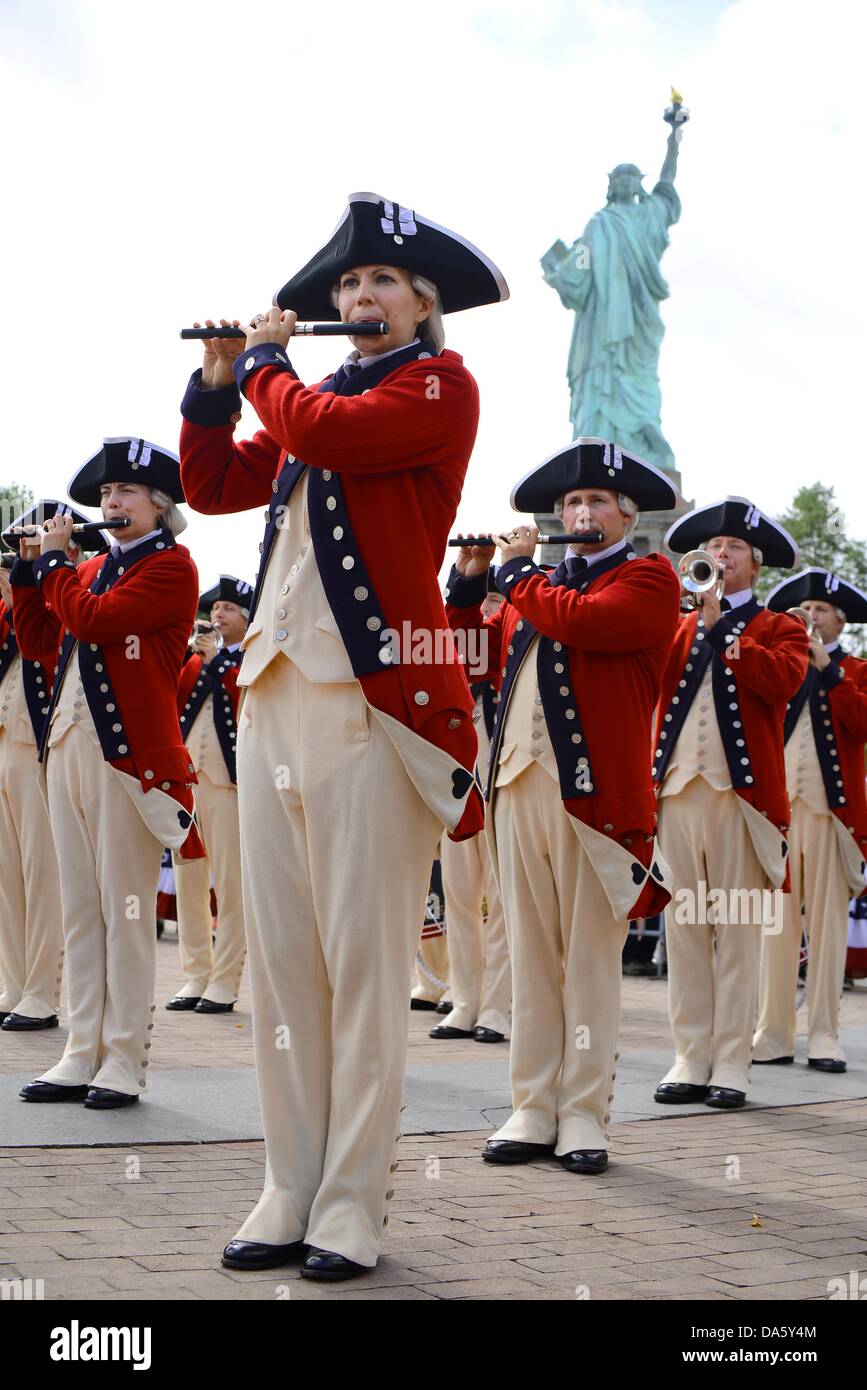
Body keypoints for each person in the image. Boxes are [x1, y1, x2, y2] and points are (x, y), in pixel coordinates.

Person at [178, 191, 508, 1279]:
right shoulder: (309, 398)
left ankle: (353, 1202)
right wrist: (220, 383)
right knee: (282, 966)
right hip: (273, 696)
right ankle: (289, 1180)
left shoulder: (437, 387)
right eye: (345, 287)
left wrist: (270, 366)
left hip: (373, 708)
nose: (356, 298)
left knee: (365, 966)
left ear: (422, 305)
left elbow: (328, 433)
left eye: (376, 285)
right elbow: (214, 481)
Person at [447, 439, 680, 1173]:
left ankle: (583, 1114)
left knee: (585, 962)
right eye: (572, 504)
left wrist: (516, 573)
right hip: (518, 785)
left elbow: (583, 624)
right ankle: (531, 1104)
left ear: (625, 516)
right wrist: (468, 582)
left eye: (596, 503)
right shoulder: (528, 594)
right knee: (530, 958)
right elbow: (466, 657)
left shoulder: (647, 580)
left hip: (596, 800)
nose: (581, 513)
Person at [10, 441, 201, 1109]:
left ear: (159, 505)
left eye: (125, 491)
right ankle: (80, 1049)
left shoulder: (171, 568)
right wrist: (28, 575)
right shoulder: (88, 570)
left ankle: (124, 1059)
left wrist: (57, 563)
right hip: (67, 750)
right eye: (107, 493)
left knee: (125, 912)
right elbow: (40, 642)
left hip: (128, 763)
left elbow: (96, 622)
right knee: (81, 908)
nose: (110, 503)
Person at [653, 497, 808, 1111]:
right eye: (713, 548)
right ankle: (690, 1056)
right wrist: (683, 612)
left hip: (741, 801)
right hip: (678, 792)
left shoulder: (780, 626)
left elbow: (782, 681)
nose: (720, 555)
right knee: (686, 929)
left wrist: (722, 629)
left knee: (738, 933)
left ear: (755, 565)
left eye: (733, 549)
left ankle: (733, 1064)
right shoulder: (679, 622)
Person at [753, 569, 867, 1073]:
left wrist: (830, 670)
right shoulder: (784, 664)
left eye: (821, 611)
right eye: (806, 611)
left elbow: (861, 723)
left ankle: (824, 1033)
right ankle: (772, 1032)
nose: (811, 617)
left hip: (830, 818)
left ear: (840, 621)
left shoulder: (857, 669)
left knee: (825, 930)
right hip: (781, 817)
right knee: (774, 928)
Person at [0, 502, 92, 1032]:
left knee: (42, 875)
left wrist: (42, 571)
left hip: (40, 750)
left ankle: (41, 991)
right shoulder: (25, 597)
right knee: (8, 876)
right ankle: (14, 982)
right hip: (6, 753)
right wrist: (20, 573)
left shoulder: (71, 590)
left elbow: (49, 646)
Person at [166, 575, 251, 1013]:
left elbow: (244, 696)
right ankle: (195, 974)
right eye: (215, 609)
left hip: (227, 784)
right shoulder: (198, 660)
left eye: (229, 610)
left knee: (232, 884)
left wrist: (218, 660)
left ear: (245, 618)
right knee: (189, 879)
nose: (218, 615)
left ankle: (225, 980)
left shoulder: (249, 656)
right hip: (190, 782)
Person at [432, 579, 511, 1043]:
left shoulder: (507, 644)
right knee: (460, 899)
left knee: (502, 904)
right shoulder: (454, 653)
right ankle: (464, 1001)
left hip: (502, 786)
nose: (485, 613)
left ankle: (497, 1007)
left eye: (494, 602)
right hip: (459, 791)